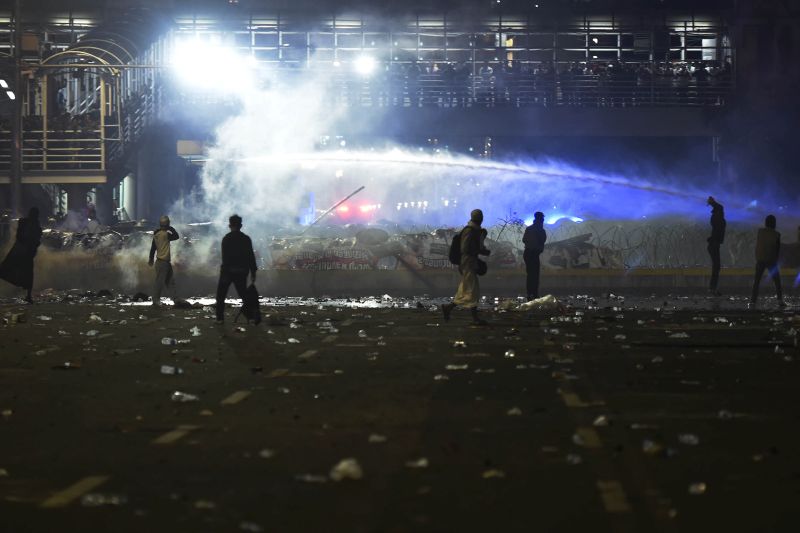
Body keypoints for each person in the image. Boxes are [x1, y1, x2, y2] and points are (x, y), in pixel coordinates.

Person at [442, 209, 489, 325]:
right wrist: (480, 251)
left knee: (467, 288)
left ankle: (449, 308)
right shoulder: (470, 230)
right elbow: (465, 249)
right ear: (480, 218)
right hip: (468, 262)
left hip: (469, 262)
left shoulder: (473, 230)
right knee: (472, 290)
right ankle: (474, 318)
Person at [215, 214, 258, 324]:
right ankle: (251, 317)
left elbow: (225, 258)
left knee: (221, 296)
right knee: (244, 295)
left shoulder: (226, 238)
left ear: (230, 225)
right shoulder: (246, 239)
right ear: (241, 225)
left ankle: (220, 319)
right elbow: (250, 257)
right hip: (241, 271)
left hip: (227, 272)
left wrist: (225, 270)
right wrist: (253, 272)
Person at [0, 207, 43, 303]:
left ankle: (28, 295)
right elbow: (20, 236)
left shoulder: (32, 223)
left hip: (26, 252)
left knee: (26, 273)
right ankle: (26, 294)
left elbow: (36, 238)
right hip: (22, 250)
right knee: (11, 268)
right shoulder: (25, 222)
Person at [750, 214, 785, 308]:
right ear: (774, 223)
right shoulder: (776, 234)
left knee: (756, 281)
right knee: (777, 281)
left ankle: (753, 300)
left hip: (760, 259)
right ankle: (780, 300)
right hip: (771, 260)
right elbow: (777, 249)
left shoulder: (760, 232)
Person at [147, 215, 179, 307]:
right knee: (160, 282)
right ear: (167, 224)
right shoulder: (166, 235)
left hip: (161, 262)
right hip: (163, 262)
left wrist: (151, 259)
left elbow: (153, 248)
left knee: (169, 281)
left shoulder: (156, 234)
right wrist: (171, 228)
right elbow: (176, 236)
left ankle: (175, 299)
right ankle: (156, 300)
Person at [522, 212, 547, 300]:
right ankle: (534, 294)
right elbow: (542, 241)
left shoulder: (529, 229)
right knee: (535, 275)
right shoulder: (540, 230)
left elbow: (524, 240)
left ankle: (529, 293)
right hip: (534, 254)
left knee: (530, 274)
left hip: (527, 253)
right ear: (541, 220)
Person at [706, 196, 726, 295]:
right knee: (716, 266)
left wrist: (712, 202)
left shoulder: (716, 217)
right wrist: (713, 202)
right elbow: (720, 207)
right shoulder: (718, 218)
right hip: (714, 244)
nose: (723, 212)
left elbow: (720, 207)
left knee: (716, 267)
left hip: (714, 244)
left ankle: (713, 288)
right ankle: (712, 289)